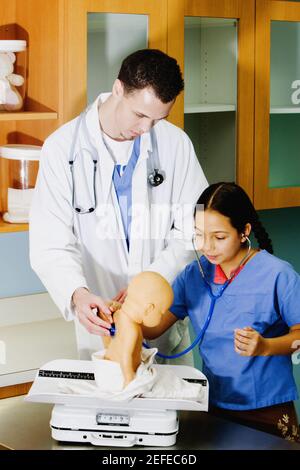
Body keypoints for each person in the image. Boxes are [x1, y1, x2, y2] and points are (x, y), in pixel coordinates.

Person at [29, 49, 207, 361]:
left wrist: (152, 278)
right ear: (118, 89)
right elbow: (50, 242)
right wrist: (77, 294)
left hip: (162, 322)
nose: (146, 130)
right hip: (102, 325)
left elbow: (197, 229)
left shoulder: (175, 144)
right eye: (140, 115)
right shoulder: (61, 149)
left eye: (158, 119)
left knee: (171, 408)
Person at [142, 182, 300, 441]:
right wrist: (122, 319)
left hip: (266, 410)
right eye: (199, 234)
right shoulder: (193, 275)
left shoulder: (278, 275)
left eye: (219, 237)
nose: (207, 247)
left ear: (243, 231)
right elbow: (154, 327)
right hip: (213, 405)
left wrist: (265, 347)